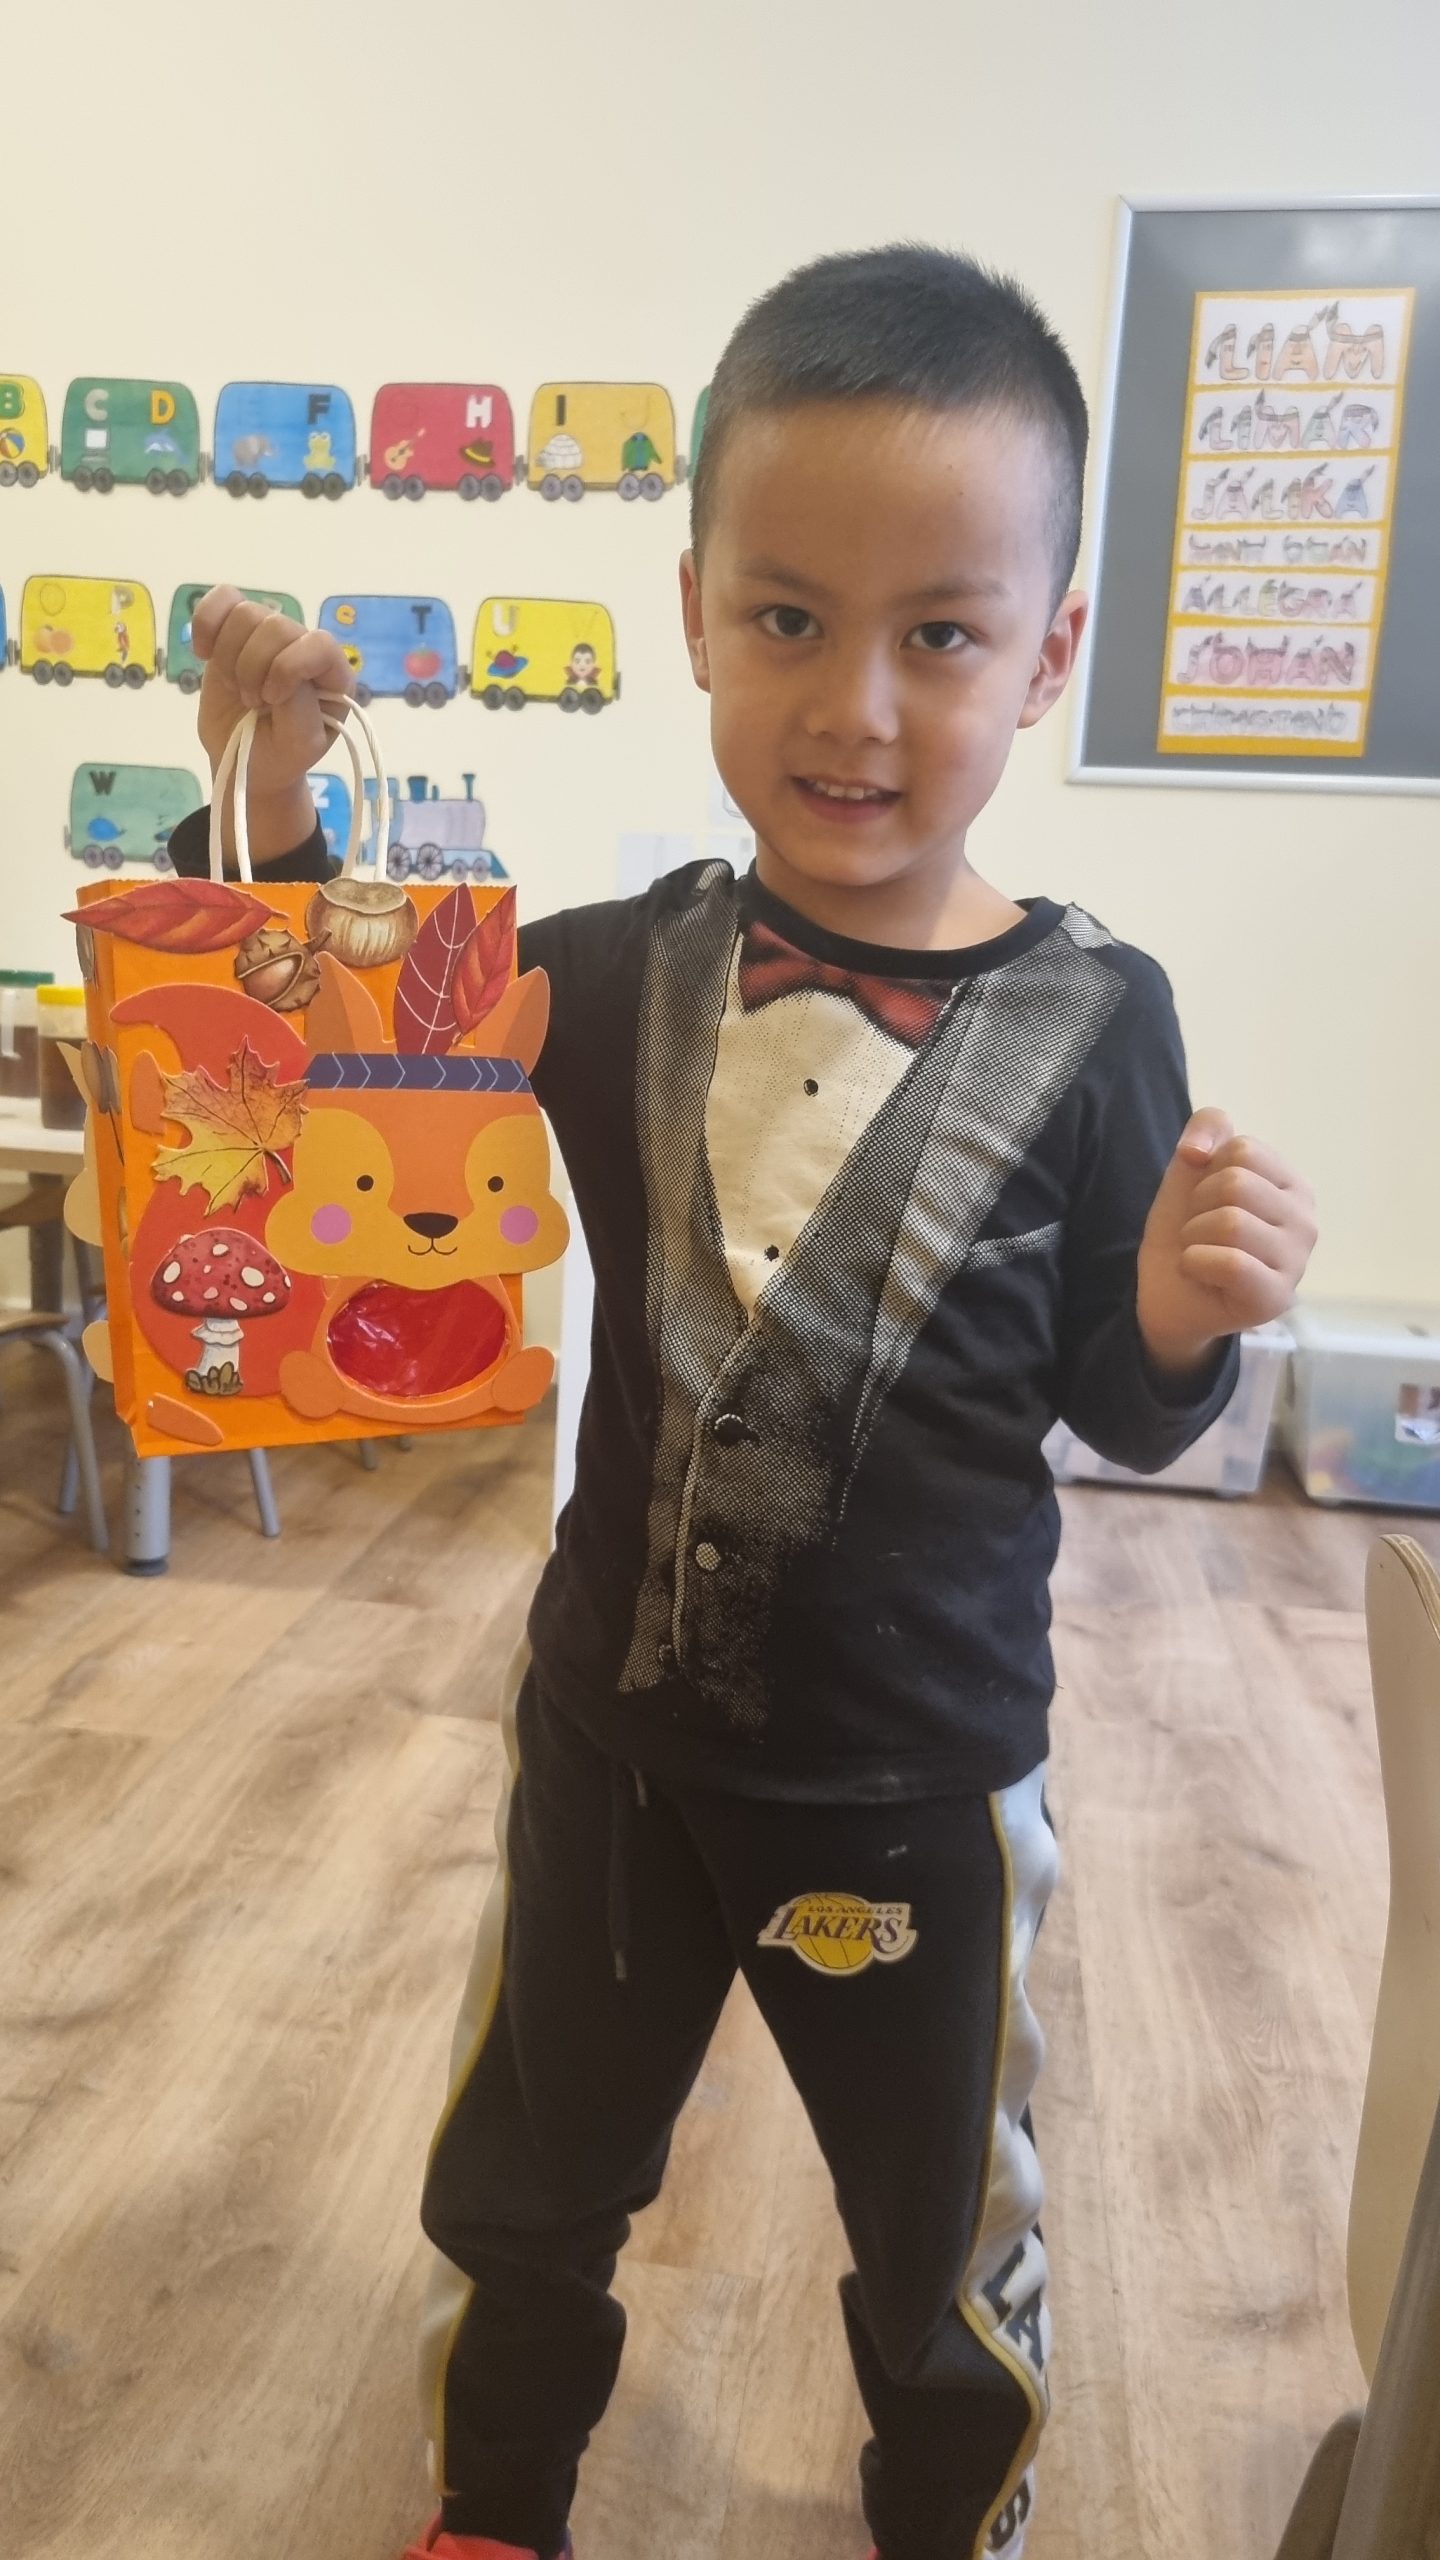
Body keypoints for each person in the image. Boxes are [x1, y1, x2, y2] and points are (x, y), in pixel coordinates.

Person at [170, 245, 1317, 2560]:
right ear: (693, 610)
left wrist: (1185, 1314)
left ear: (1051, 651)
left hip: (919, 1776)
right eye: (788, 616)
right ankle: (496, 2502)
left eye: (943, 634)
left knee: (936, 2237)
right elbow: (341, 1044)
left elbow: (1123, 1405)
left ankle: (949, 2519)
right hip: (608, 1734)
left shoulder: (1105, 1021)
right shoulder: (612, 970)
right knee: (526, 2178)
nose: (856, 704)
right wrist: (276, 792)